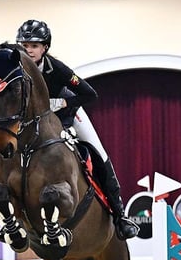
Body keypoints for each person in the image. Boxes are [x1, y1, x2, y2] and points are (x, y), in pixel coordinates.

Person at [15, 19, 139, 240]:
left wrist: (61, 103)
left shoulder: (58, 69)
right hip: (35, 123)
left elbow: (90, 94)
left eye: (34, 46)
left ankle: (120, 216)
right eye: (24, 46)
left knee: (98, 152)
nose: (29, 50)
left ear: (45, 48)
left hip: (67, 115)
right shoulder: (18, 69)